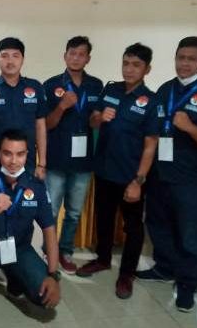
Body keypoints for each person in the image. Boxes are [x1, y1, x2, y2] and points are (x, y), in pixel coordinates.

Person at [136, 36, 197, 312]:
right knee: (158, 225)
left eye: (192, 59)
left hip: (192, 181)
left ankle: (188, 285)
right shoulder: (166, 89)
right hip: (160, 175)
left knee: (190, 235)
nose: (185, 63)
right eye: (181, 57)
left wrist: (190, 127)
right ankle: (165, 268)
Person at [76, 43, 158, 299]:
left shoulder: (151, 101)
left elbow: (151, 145)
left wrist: (138, 180)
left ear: (147, 69)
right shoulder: (110, 89)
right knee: (104, 218)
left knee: (133, 226)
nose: (129, 69)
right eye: (126, 63)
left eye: (136, 65)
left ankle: (127, 274)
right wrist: (99, 118)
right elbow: (92, 121)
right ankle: (102, 259)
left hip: (131, 175)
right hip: (104, 170)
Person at [0, 129, 61, 328]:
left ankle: (14, 277)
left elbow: (50, 230)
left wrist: (53, 275)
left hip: (19, 248)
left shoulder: (36, 187)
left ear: (27, 154)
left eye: (20, 154)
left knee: (44, 297)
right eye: (8, 153)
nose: (14, 161)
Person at [42, 36, 102, 274]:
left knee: (74, 212)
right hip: (57, 158)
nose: (76, 58)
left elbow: (95, 121)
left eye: (81, 54)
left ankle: (65, 251)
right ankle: (48, 251)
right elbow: (46, 124)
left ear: (88, 58)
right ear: (64, 56)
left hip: (84, 160)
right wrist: (62, 106)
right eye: (72, 53)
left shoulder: (96, 85)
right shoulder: (51, 85)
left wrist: (97, 120)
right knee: (51, 211)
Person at [0, 37, 47, 178]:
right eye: (5, 56)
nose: (10, 61)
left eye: (15, 56)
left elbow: (40, 127)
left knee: (25, 192)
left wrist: (42, 163)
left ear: (22, 59)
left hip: (26, 162)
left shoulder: (35, 87)